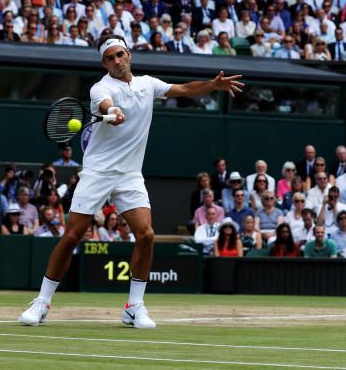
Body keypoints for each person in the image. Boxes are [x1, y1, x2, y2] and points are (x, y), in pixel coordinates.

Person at [20, 35, 244, 329]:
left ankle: (134, 307)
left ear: (129, 55)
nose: (117, 60)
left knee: (146, 234)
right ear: (104, 62)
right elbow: (105, 105)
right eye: (111, 57)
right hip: (98, 171)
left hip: (130, 174)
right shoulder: (101, 88)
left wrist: (213, 86)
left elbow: (185, 89)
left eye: (120, 54)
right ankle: (42, 302)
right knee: (73, 235)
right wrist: (111, 112)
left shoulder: (147, 84)